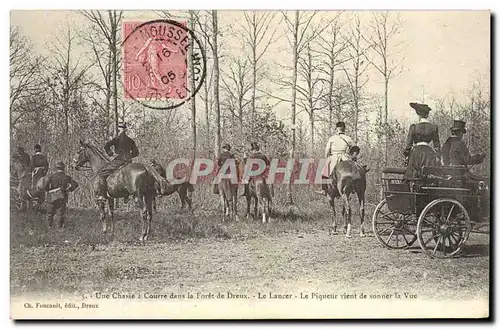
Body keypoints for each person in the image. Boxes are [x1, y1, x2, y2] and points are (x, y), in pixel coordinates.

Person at [97, 122, 139, 201]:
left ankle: (103, 195)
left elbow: (106, 146)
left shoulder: (117, 139)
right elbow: (137, 153)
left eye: (119, 128)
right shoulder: (130, 140)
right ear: (125, 129)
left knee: (102, 174)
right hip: (128, 161)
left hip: (119, 160)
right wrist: (129, 156)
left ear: (119, 129)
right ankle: (127, 195)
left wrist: (111, 154)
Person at [403, 103, 441, 181]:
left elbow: (408, 145)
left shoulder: (414, 127)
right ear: (427, 115)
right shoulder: (433, 128)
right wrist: (438, 156)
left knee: (410, 177)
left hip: (416, 153)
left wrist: (407, 156)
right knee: (431, 176)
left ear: (418, 115)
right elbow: (437, 145)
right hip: (429, 154)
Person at [315, 122, 356, 196]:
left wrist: (327, 159)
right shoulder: (348, 138)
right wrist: (353, 157)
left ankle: (324, 190)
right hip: (345, 158)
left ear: (337, 129)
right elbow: (355, 148)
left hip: (334, 158)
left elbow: (327, 151)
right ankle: (353, 187)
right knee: (354, 172)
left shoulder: (332, 138)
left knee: (324, 173)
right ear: (344, 129)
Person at [44, 161, 79, 229]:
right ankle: (59, 228)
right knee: (60, 213)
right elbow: (75, 184)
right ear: (63, 168)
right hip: (62, 196)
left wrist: (49, 190)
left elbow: (45, 187)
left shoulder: (52, 176)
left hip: (52, 196)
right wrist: (68, 190)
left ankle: (49, 227)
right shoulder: (66, 177)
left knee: (50, 213)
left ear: (57, 168)